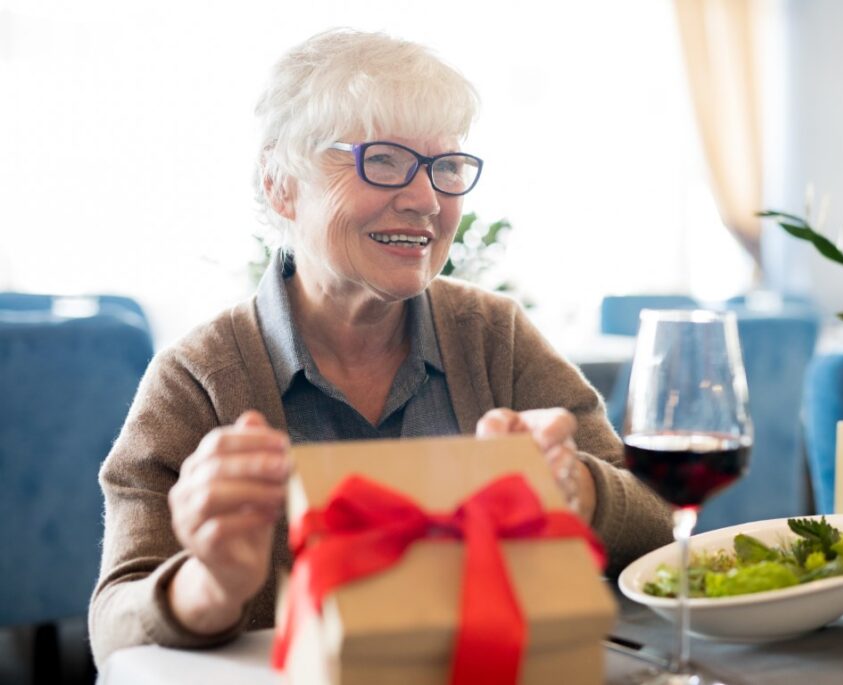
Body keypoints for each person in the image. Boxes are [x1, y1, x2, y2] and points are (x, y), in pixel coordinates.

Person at [88, 28, 672, 664]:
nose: (426, 200)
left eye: (445, 167)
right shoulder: (197, 378)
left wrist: (577, 488)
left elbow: (658, 521)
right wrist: (210, 584)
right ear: (281, 183)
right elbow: (113, 624)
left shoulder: (493, 335)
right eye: (384, 160)